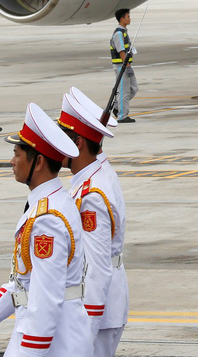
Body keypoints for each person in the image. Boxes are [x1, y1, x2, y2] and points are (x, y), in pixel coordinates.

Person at [0, 103, 92, 353]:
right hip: (49, 336)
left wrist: (30, 350)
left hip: (54, 342)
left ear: (38, 162)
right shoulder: (46, 205)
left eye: (17, 154)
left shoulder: (48, 219)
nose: (11, 161)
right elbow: (24, 282)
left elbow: (46, 298)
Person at [59, 88, 129, 357]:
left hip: (98, 310)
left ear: (78, 143)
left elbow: (98, 268)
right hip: (102, 305)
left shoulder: (92, 195)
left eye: (62, 137)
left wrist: (84, 330)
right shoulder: (94, 172)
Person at [109, 8, 138, 122]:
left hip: (126, 65)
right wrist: (126, 66)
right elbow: (121, 51)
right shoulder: (118, 34)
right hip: (122, 66)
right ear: (122, 19)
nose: (130, 19)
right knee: (124, 91)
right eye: (128, 17)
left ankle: (117, 107)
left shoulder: (124, 32)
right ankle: (122, 116)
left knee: (133, 89)